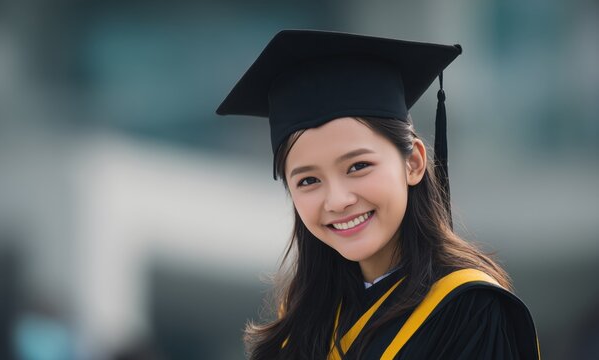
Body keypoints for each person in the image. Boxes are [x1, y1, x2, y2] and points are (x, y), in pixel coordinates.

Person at [216, 30, 540, 360]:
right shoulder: (300, 324)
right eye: (308, 180)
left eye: (358, 166)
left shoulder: (470, 312)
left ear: (412, 162)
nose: (338, 200)